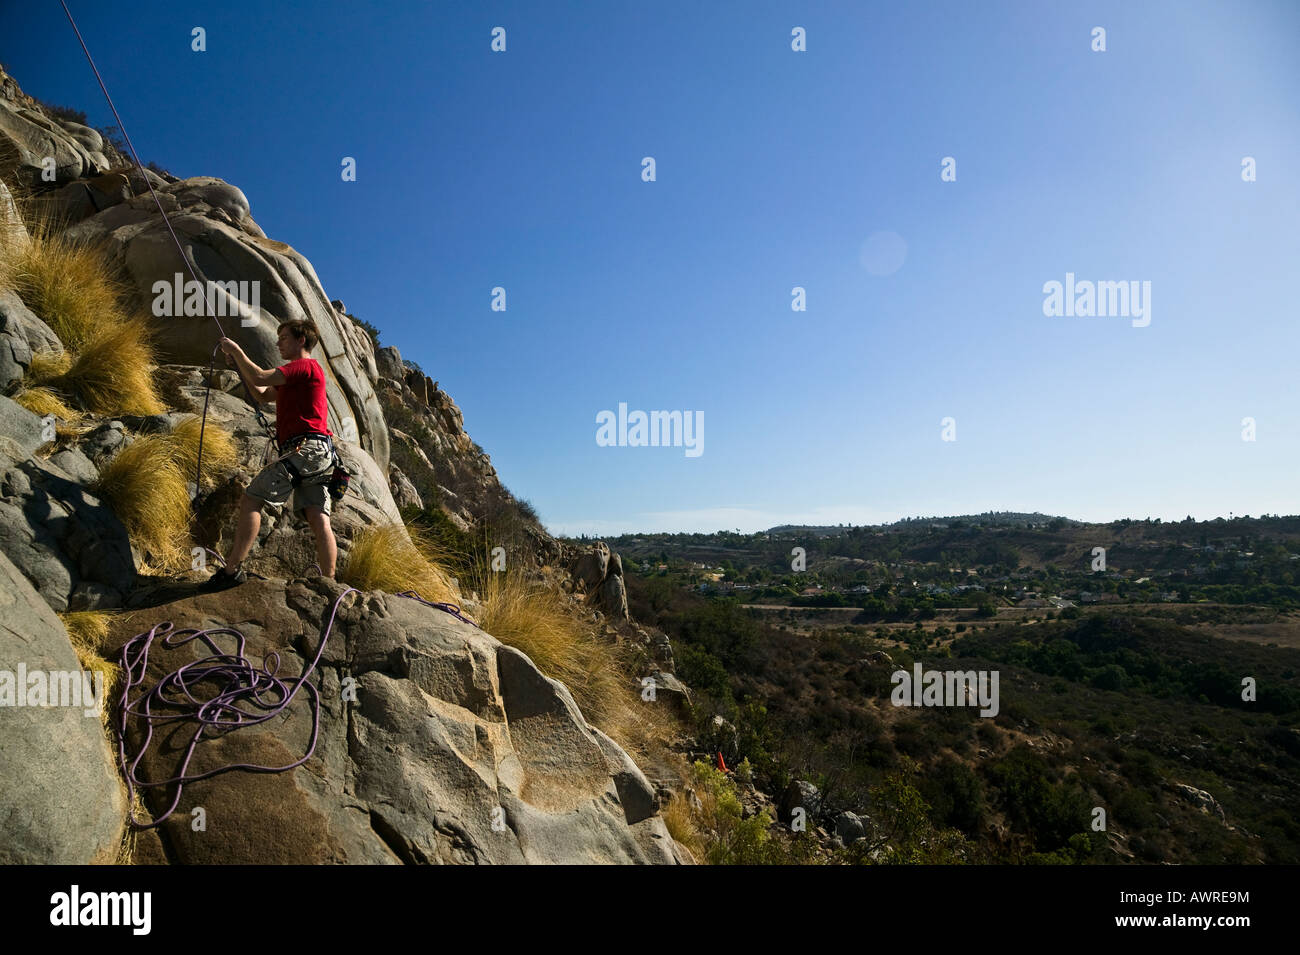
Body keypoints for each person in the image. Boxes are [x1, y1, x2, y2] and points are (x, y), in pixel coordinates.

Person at [201, 319, 339, 590]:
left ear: (301, 340)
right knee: (317, 516)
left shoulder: (303, 366)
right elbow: (262, 394)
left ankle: (231, 572)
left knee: (252, 499)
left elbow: (261, 377)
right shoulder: (300, 375)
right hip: (318, 453)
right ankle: (329, 583)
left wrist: (237, 351)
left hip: (304, 449)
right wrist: (241, 368)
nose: (278, 343)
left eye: (284, 337)